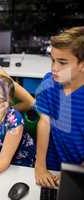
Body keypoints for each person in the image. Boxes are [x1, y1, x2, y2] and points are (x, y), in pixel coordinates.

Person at [34, 26, 84, 188]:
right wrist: (40, 166)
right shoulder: (49, 83)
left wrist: (74, 174)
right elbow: (44, 123)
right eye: (53, 60)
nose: (54, 68)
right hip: (52, 166)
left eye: (62, 62)